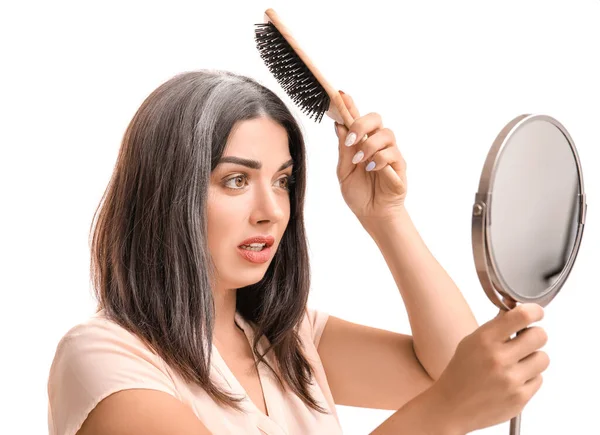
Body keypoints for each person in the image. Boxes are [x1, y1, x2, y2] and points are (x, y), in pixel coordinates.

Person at [47, 70, 549, 435]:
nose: (271, 211)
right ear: (165, 194)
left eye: (283, 181)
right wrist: (444, 411)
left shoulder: (290, 342)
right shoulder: (104, 359)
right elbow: (455, 392)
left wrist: (386, 216)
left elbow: (462, 371)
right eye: (236, 180)